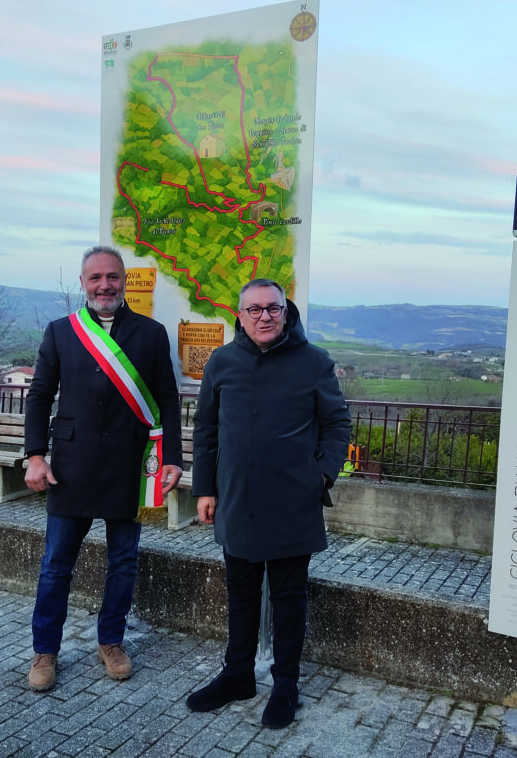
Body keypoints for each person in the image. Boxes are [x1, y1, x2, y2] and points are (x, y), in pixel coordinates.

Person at [185, 278, 351, 728]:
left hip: (292, 502)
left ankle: (286, 686)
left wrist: (321, 474)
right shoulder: (221, 362)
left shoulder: (314, 363)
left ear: (286, 312)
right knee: (239, 595)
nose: (264, 316)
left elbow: (337, 424)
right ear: (240, 315)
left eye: (273, 308)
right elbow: (206, 433)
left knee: (289, 598)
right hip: (235, 499)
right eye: (254, 309)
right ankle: (237, 675)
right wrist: (204, 490)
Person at [23, 245, 183, 692]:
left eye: (112, 276)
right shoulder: (61, 332)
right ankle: (44, 652)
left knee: (124, 562)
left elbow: (167, 399)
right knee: (56, 565)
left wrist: (172, 457)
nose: (105, 285)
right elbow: (38, 396)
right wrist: (35, 455)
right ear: (83, 283)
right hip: (70, 467)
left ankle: (111, 641)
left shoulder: (152, 334)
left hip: (129, 468)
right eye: (95, 278)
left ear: (124, 280)